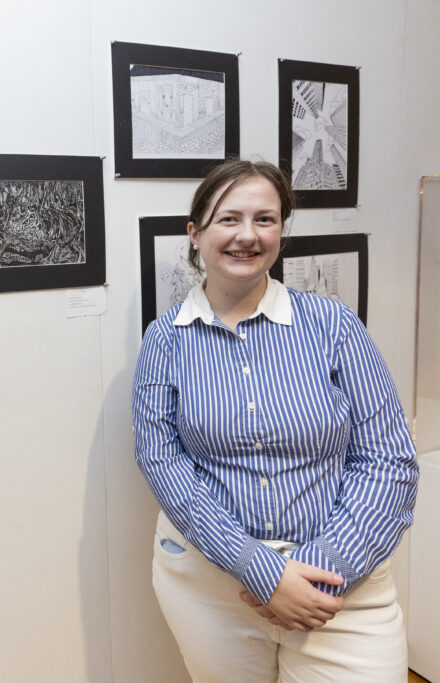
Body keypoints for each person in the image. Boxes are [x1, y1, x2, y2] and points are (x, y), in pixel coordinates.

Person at [132, 159, 418, 682]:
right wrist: (259, 569)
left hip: (342, 590)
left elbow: (389, 459)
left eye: (265, 219)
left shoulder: (334, 326)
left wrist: (321, 577)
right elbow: (163, 464)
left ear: (281, 231)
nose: (247, 235)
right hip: (212, 589)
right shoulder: (165, 340)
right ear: (195, 234)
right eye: (228, 219)